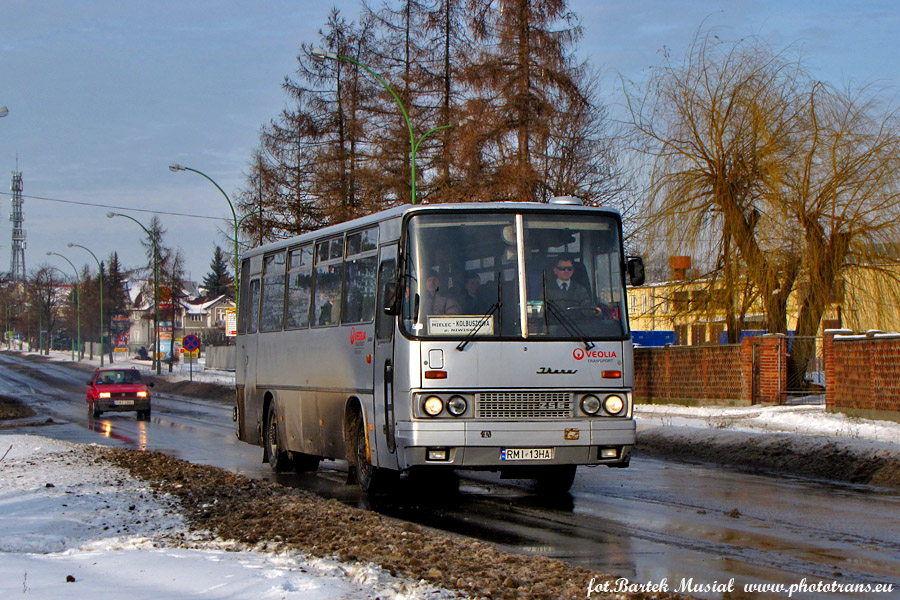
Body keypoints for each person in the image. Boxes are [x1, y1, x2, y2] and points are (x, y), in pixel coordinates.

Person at [545, 257, 598, 325]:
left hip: (577, 329)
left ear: (573, 271)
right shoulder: (547, 289)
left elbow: (587, 306)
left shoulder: (580, 289)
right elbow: (542, 311)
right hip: (553, 328)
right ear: (555, 270)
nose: (566, 271)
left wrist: (594, 311)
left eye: (569, 269)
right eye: (562, 268)